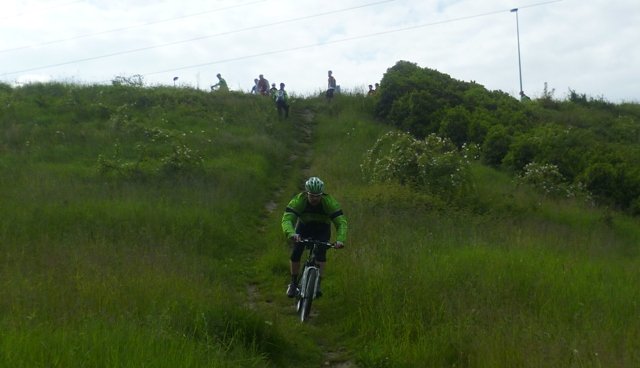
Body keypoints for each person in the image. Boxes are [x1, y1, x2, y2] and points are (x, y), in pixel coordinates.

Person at [281, 177, 347, 298]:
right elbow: (287, 219)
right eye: (312, 195)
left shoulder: (330, 202)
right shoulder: (299, 201)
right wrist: (291, 233)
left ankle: (317, 285)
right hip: (304, 227)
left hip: (322, 229)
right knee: (296, 252)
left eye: (318, 195)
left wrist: (340, 240)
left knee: (321, 255)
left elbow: (341, 222)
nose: (315, 198)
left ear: (322, 194)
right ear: (307, 193)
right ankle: (293, 283)